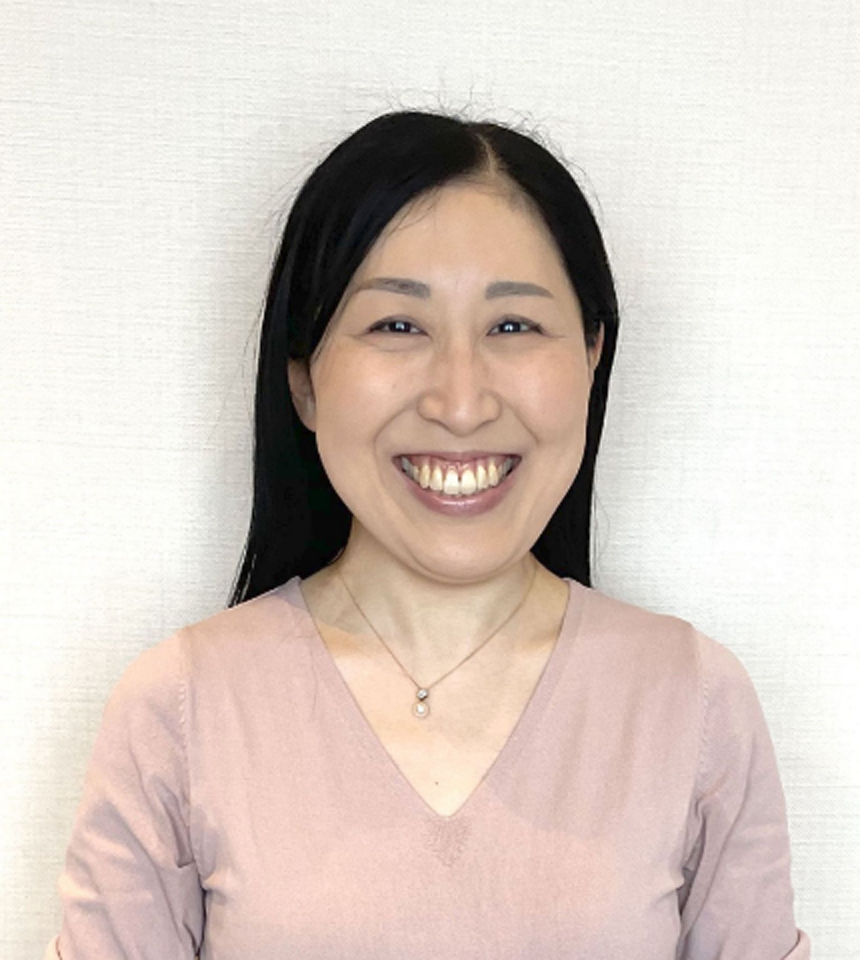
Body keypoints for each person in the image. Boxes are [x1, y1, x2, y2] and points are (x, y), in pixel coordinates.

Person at [44, 111, 811, 958]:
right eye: (397, 326)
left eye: (513, 326)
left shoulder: (694, 703)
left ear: (593, 357)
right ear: (304, 378)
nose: (460, 401)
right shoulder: (178, 711)